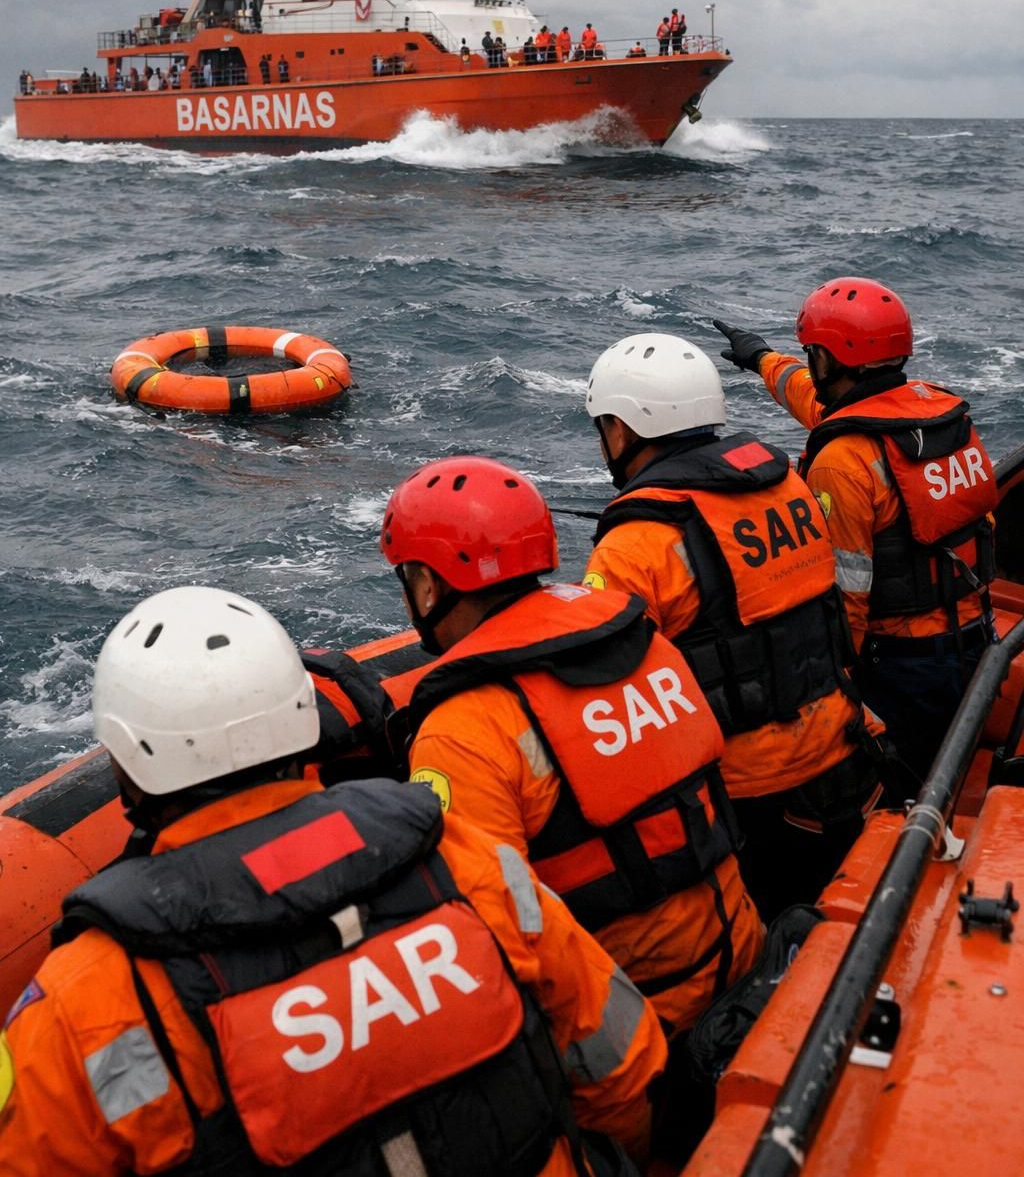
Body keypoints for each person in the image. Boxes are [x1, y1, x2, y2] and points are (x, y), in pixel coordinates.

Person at [0, 586, 666, 1176]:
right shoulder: (462, 856)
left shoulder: (85, 997)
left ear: (125, 762)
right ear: (302, 714)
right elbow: (619, 1056)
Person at [378, 457, 763, 1041]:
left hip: (635, 1025)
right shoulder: (645, 641)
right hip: (742, 951)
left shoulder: (464, 727)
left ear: (428, 585)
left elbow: (493, 932)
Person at [582, 333, 886, 921]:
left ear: (619, 429)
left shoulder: (634, 545)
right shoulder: (788, 484)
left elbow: (608, 696)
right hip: (842, 749)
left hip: (746, 792)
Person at [713, 277, 998, 790]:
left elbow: (849, 597)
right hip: (976, 641)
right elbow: (815, 399)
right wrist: (760, 359)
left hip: (903, 669)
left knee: (901, 788)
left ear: (830, 357)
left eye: (812, 353)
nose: (810, 363)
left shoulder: (843, 461)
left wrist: (833, 682)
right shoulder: (941, 412)